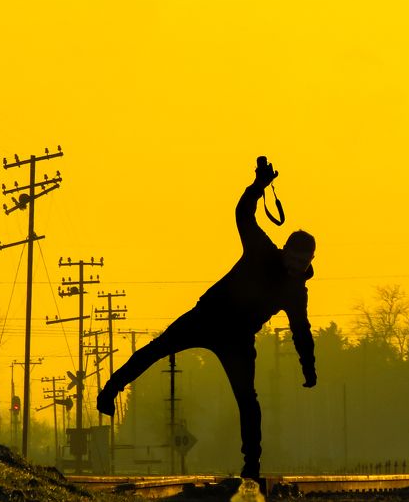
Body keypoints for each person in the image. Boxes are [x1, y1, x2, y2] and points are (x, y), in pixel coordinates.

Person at [96, 158, 317, 480]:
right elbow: (243, 214)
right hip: (208, 316)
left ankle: (251, 466)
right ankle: (109, 391)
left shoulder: (296, 292)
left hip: (237, 338)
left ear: (310, 261)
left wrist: (308, 367)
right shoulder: (261, 250)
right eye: (294, 258)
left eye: (303, 261)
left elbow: (301, 332)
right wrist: (258, 187)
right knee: (157, 349)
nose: (296, 266)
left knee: (247, 399)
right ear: (285, 250)